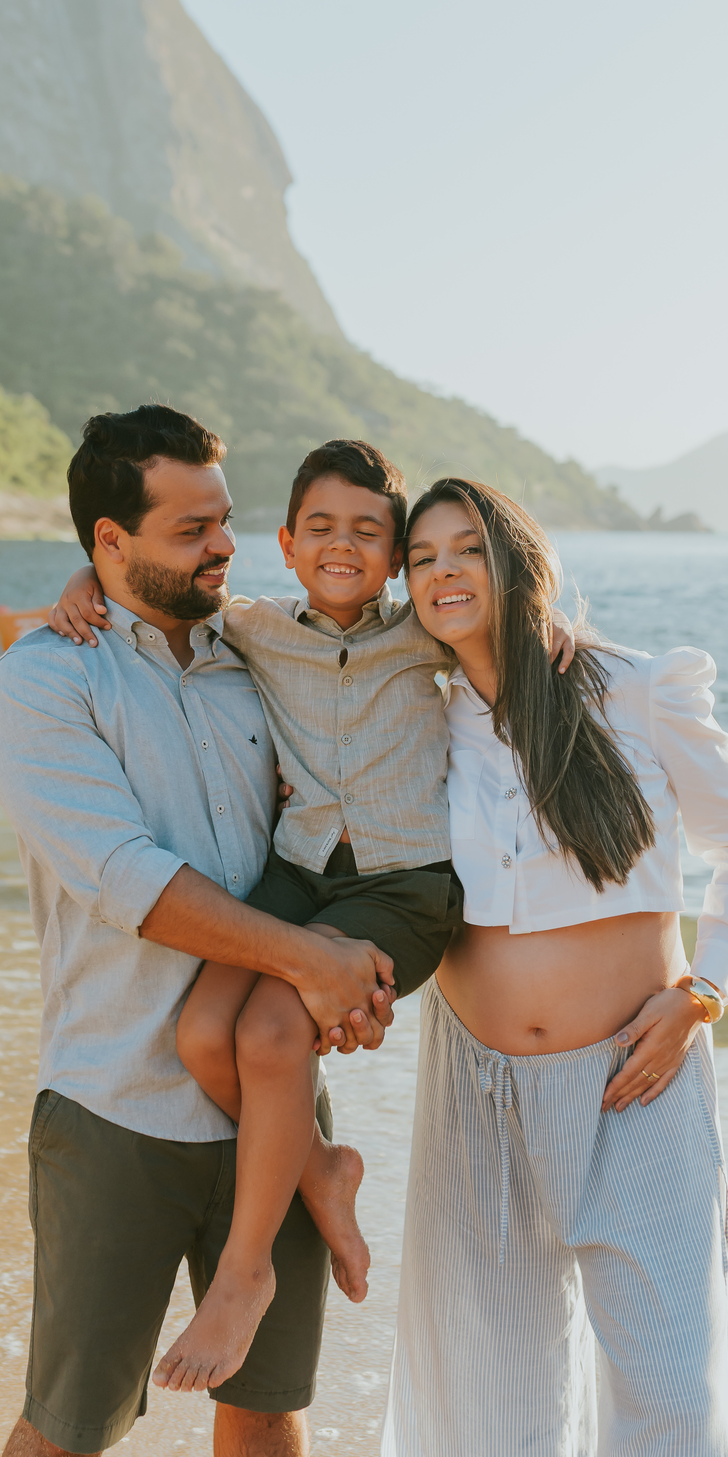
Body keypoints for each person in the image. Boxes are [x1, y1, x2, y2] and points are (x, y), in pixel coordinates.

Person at [50, 439, 577, 1397]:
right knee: (204, 1032)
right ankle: (321, 1169)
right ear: (286, 545)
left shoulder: (424, 634)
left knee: (270, 1028)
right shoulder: (252, 627)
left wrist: (552, 636)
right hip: (296, 880)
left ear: (396, 554)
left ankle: (245, 1273)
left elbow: (500, 624)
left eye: (370, 533)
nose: (344, 546)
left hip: (401, 886)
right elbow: (134, 591)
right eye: (321, 529)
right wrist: (85, 577)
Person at [0, 406, 396, 1457]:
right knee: (69, 1426)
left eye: (224, 520)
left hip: (271, 1099)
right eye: (189, 529)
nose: (222, 545)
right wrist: (314, 961)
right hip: (116, 1106)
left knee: (267, 1418)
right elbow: (129, 883)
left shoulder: (256, 654)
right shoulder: (45, 684)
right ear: (109, 543)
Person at [381, 478, 728, 1457]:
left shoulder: (637, 689)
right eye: (421, 557)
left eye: (465, 547)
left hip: (635, 1083)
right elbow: (284, 648)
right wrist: (87, 579)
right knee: (497, 1404)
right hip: (476, 1097)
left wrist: (705, 990)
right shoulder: (413, 719)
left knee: (670, 1392)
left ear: (519, 563)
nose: (443, 571)